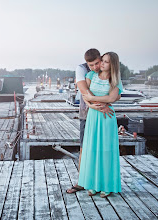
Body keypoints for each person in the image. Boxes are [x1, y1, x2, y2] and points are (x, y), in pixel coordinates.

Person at [66, 48, 117, 194]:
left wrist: (109, 101)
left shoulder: (108, 73)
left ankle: (101, 183)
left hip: (103, 114)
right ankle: (82, 182)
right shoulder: (82, 70)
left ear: (101, 59)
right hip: (86, 114)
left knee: (103, 149)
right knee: (85, 148)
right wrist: (93, 105)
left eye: (97, 63)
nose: (95, 67)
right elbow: (84, 91)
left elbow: (116, 94)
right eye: (91, 65)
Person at [78, 52, 123, 198]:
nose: (101, 64)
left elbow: (111, 97)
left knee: (106, 151)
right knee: (91, 150)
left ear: (113, 65)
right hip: (93, 116)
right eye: (102, 61)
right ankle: (92, 184)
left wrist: (93, 98)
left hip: (106, 118)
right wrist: (93, 104)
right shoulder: (90, 76)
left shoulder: (115, 80)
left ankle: (106, 185)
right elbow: (85, 97)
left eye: (106, 62)